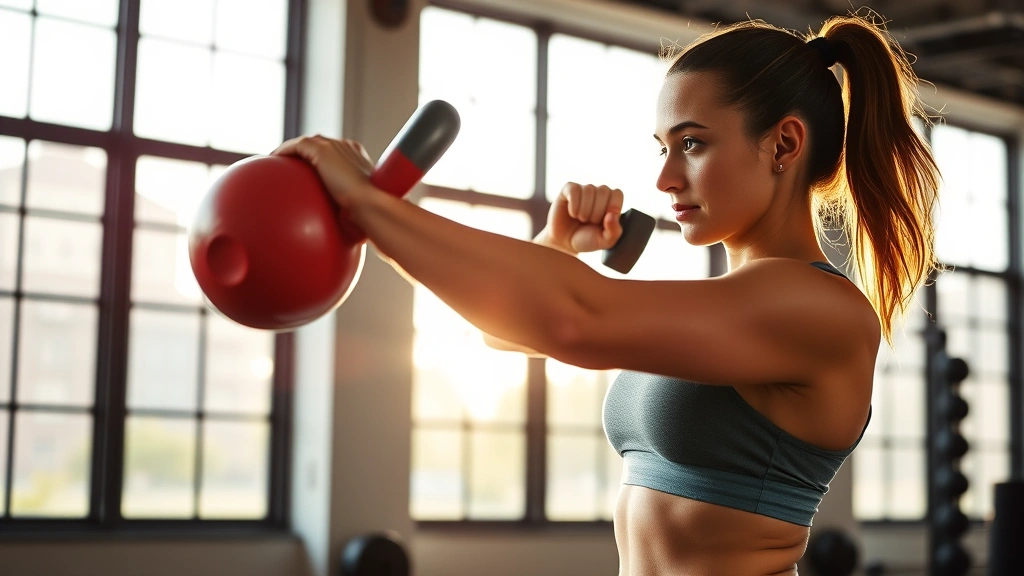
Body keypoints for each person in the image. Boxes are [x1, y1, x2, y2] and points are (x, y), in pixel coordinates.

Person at [273, 12, 939, 576]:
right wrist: (555, 248)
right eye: (662, 148)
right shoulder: (727, 307)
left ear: (784, 144)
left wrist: (369, 205)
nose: (666, 179)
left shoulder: (819, 311)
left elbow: (574, 320)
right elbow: (510, 331)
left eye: (693, 145)